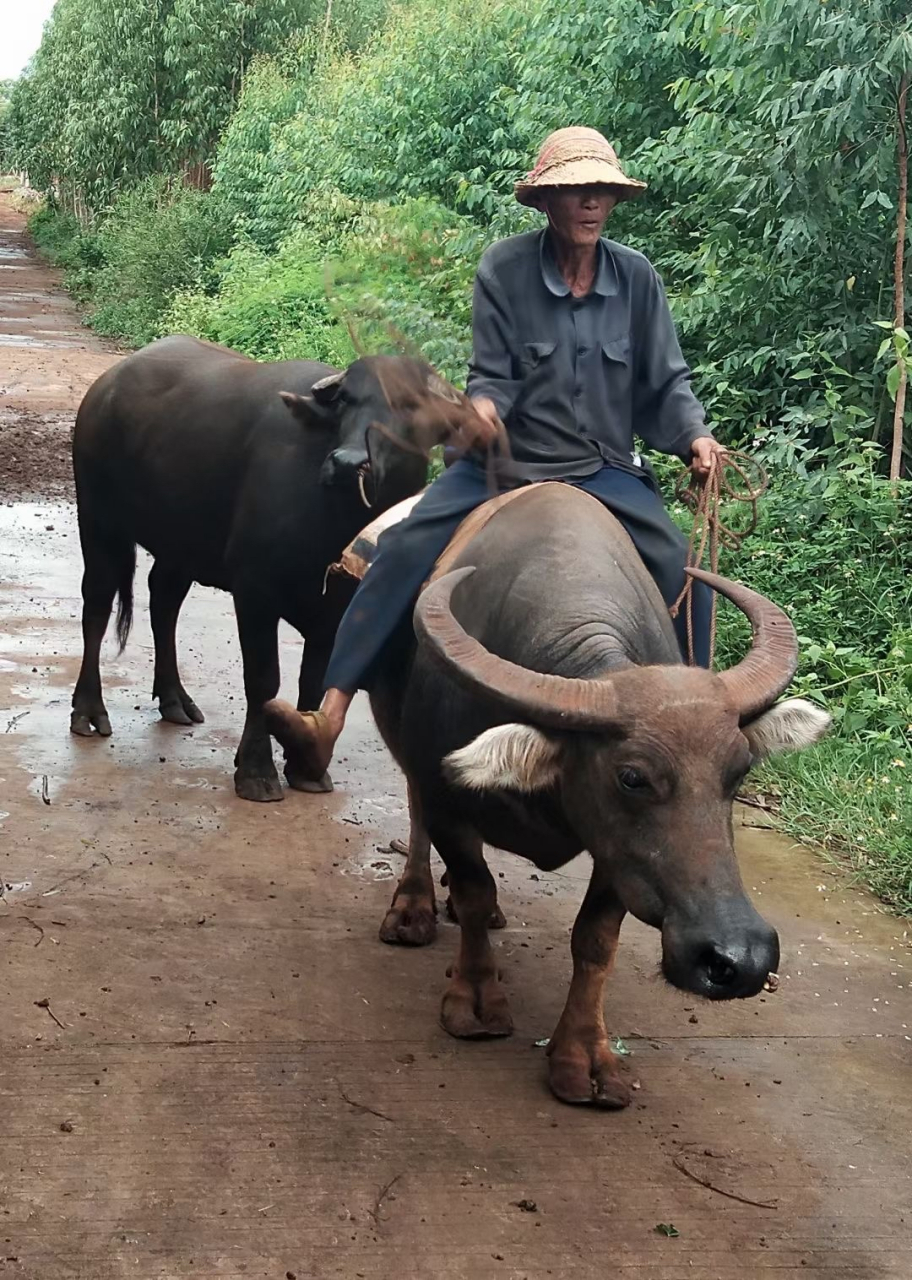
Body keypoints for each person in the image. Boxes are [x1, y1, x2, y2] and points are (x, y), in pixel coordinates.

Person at [271, 126, 726, 784]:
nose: (590, 203)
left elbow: (666, 384)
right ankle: (329, 718)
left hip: (605, 470)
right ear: (545, 203)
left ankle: (698, 735)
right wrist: (481, 412)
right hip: (507, 465)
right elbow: (493, 376)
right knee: (398, 552)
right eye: (574, 191)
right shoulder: (504, 269)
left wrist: (696, 437)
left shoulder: (638, 280)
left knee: (687, 579)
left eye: (600, 190)